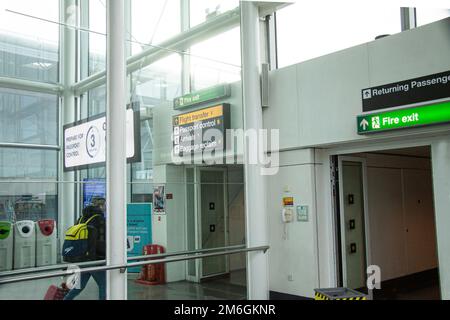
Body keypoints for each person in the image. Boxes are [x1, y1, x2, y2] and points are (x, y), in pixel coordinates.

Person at [64, 205, 106, 300]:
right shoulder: (99, 220)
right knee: (104, 284)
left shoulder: (81, 219)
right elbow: (102, 241)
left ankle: (66, 299)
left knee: (80, 284)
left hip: (80, 258)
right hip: (94, 259)